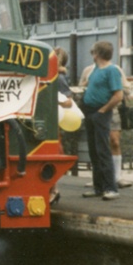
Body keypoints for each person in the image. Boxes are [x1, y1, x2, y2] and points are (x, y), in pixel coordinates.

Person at [79, 54, 133, 190]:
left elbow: (125, 89)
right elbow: (81, 87)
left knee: (113, 141)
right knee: (97, 145)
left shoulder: (115, 69)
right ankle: (100, 180)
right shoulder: (89, 70)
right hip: (93, 110)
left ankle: (116, 177)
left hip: (111, 108)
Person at [51, 47, 75, 205]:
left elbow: (69, 101)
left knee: (53, 152)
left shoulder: (58, 78)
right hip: (51, 121)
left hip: (53, 121)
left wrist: (54, 101)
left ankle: (53, 189)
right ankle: (52, 189)